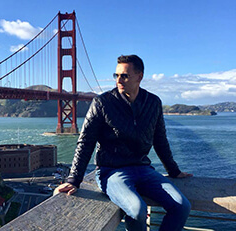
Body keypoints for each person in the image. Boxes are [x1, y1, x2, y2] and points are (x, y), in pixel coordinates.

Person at [58, 55, 193, 231]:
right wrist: (74, 180)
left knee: (182, 206)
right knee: (137, 210)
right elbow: (85, 142)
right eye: (117, 75)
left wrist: (174, 171)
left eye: (125, 76)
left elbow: (160, 140)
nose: (119, 80)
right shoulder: (102, 102)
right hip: (111, 171)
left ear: (140, 77)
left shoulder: (153, 102)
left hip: (143, 169)